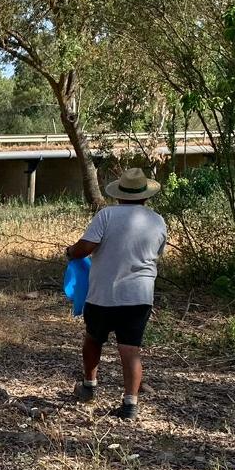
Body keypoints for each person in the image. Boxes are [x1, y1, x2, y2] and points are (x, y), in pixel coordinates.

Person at [65, 168, 168, 420]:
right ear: (146, 196)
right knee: (130, 350)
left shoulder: (107, 215)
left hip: (104, 294)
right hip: (139, 296)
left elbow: (84, 248)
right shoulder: (158, 220)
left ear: (120, 194)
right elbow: (157, 253)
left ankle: (89, 386)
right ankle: (130, 404)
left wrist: (70, 252)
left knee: (93, 339)